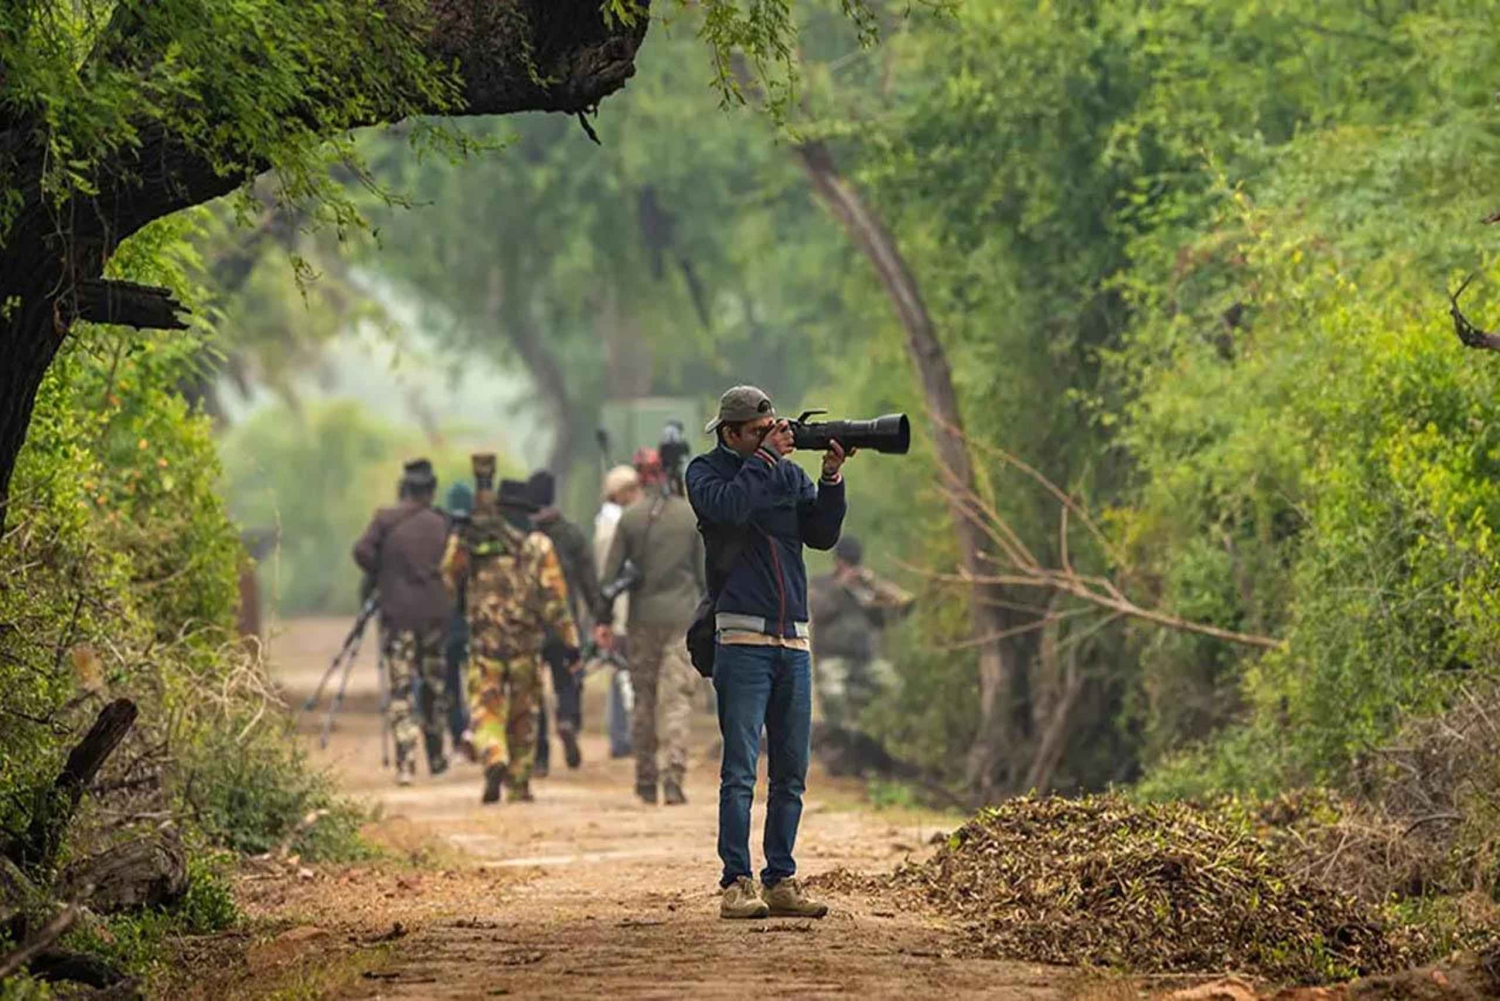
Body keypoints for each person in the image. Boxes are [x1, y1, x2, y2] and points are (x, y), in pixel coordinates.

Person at [685, 385, 852, 920]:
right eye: (756, 433)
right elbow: (732, 510)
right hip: (740, 638)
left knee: (791, 771)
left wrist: (830, 479)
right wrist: (764, 458)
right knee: (739, 769)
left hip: (793, 638)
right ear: (730, 434)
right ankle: (736, 881)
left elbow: (821, 536)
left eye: (772, 431)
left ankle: (780, 879)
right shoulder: (705, 473)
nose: (770, 439)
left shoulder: (784, 472)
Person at [441, 463, 579, 804]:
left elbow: (448, 578)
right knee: (523, 716)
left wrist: (461, 539)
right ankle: (518, 784)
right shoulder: (538, 546)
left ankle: (494, 754)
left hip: (485, 646)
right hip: (525, 647)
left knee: (486, 710)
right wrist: (570, 642)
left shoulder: (476, 542)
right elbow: (555, 600)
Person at [601, 439, 705, 806]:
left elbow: (610, 578)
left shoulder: (629, 519)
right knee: (676, 700)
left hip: (641, 621)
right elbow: (703, 575)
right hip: (681, 620)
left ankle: (645, 780)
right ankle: (673, 775)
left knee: (643, 700)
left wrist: (602, 622)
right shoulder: (690, 518)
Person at [352, 458, 452, 786]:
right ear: (432, 490)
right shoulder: (443, 523)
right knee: (434, 687)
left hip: (398, 618)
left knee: (401, 690)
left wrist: (386, 572)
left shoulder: (385, 519)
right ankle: (436, 756)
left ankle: (405, 764)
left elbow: (361, 552)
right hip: (436, 617)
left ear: (404, 488)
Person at [527, 470, 606, 776]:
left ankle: (540, 757)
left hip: (530, 626)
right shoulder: (570, 534)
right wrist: (601, 617)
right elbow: (589, 582)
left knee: (531, 691)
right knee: (569, 679)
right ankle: (568, 720)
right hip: (564, 623)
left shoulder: (522, 535)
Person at [808, 534, 914, 729]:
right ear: (837, 562)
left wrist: (874, 583)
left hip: (866, 660)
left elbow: (905, 603)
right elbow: (817, 609)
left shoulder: (867, 588)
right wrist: (841, 586)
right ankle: (838, 740)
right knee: (834, 696)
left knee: (895, 687)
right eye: (847, 563)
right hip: (833, 661)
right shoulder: (821, 584)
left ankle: (887, 733)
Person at [594, 465, 643, 759]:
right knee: (625, 673)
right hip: (623, 609)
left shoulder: (606, 523)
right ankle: (625, 736)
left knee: (621, 672)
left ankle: (621, 735)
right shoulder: (615, 526)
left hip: (616, 608)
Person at [441, 481, 475, 749]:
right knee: (479, 681)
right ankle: (477, 732)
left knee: (450, 683)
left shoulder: (441, 537)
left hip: (448, 624)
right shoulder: (480, 535)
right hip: (477, 623)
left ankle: (458, 733)